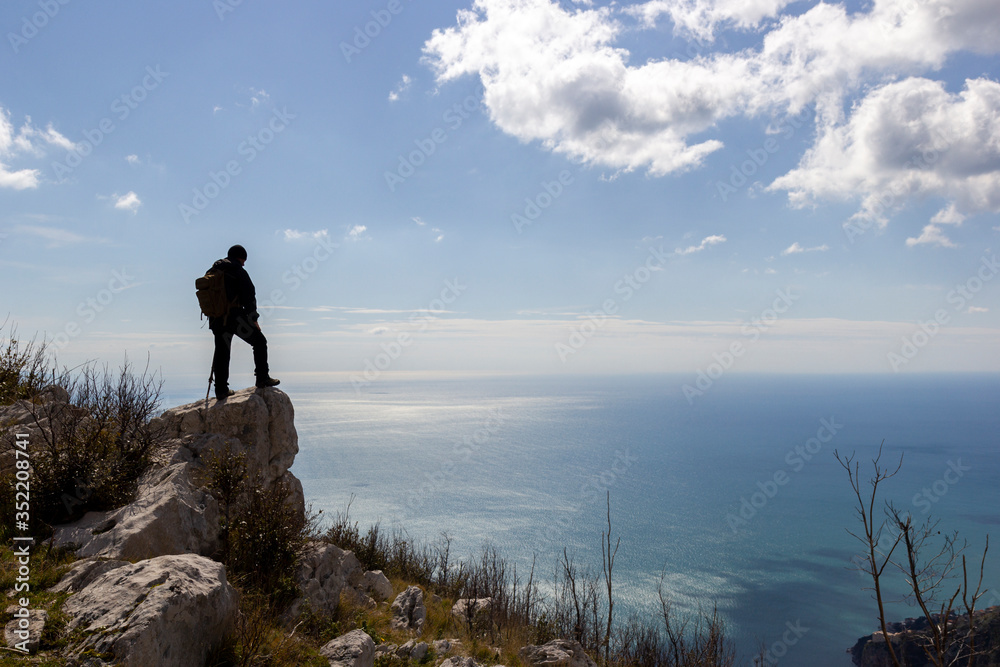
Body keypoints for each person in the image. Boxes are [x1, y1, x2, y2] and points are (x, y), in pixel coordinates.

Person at [208, 244, 279, 399]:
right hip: (234, 317)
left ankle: (221, 390)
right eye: (244, 260)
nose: (244, 263)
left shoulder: (213, 271)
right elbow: (249, 295)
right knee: (259, 342)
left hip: (216, 319)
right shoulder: (237, 271)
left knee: (222, 352)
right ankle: (262, 378)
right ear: (240, 257)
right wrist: (253, 319)